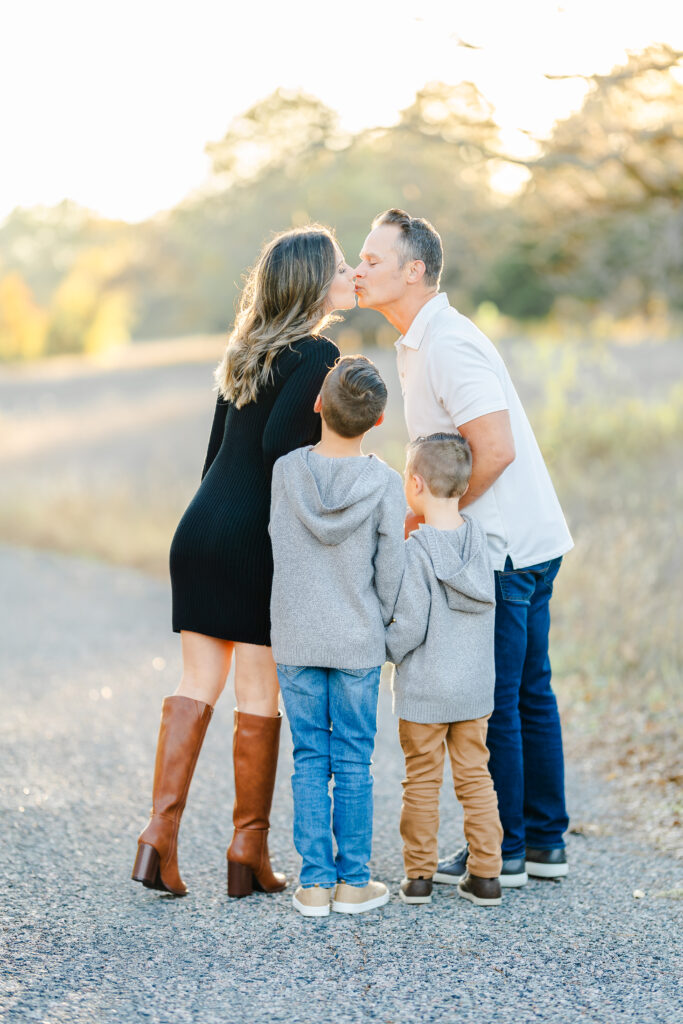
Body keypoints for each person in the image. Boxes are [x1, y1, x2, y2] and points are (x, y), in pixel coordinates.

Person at [132, 225, 356, 899]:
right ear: (314, 281)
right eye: (341, 266)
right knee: (258, 694)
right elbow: (284, 460)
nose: (349, 273)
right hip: (253, 539)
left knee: (196, 683)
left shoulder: (245, 351)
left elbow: (213, 458)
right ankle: (245, 853)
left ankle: (157, 840)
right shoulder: (318, 353)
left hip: (198, 529)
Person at [355, 209, 573, 887]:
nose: (358, 271)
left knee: (501, 698)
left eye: (370, 260)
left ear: (412, 270)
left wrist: (436, 521)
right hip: (526, 539)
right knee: (528, 691)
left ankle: (500, 851)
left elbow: (496, 450)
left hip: (505, 550)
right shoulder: (422, 342)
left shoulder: (447, 343)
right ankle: (543, 844)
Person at [269, 355, 405, 917]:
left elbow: (278, 541)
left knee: (308, 758)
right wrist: (395, 636)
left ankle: (314, 884)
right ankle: (354, 883)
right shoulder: (386, 483)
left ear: (318, 404)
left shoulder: (286, 472)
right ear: (377, 423)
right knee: (352, 759)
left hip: (297, 638)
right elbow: (391, 572)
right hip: (357, 643)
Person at [386, 433, 503, 907]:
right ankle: (487, 875)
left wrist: (384, 649)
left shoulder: (416, 553)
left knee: (421, 781)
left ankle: (418, 877)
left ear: (414, 484)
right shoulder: (481, 543)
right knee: (476, 779)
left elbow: (409, 626)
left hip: (425, 695)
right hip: (473, 693)